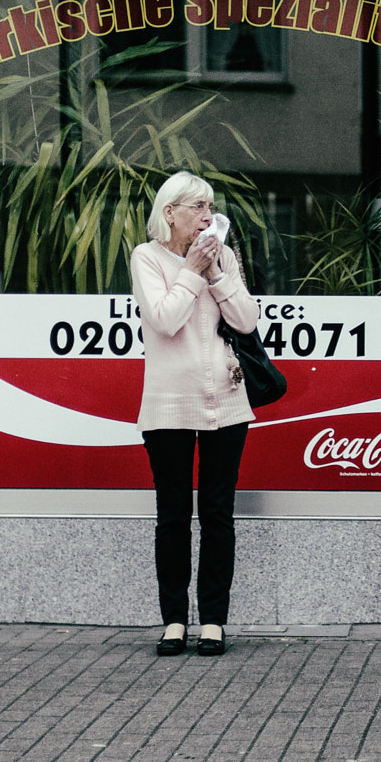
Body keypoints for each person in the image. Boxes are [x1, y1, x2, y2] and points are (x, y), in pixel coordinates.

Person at [131, 171, 259, 657]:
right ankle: (172, 620)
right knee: (173, 516)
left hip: (227, 401)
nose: (209, 216)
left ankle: (213, 621)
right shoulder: (147, 257)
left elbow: (246, 321)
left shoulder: (222, 257)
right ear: (171, 213)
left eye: (211, 207)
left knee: (218, 515)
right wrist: (191, 270)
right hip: (168, 405)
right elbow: (163, 320)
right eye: (199, 207)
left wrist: (217, 275)